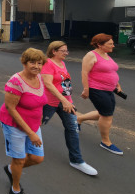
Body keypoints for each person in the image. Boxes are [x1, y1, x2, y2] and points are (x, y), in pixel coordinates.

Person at [41, 41, 98, 176]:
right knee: (37, 124)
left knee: (72, 128)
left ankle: (76, 160)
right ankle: (19, 138)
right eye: (63, 51)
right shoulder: (48, 64)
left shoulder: (62, 63)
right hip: (50, 103)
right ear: (54, 51)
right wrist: (63, 100)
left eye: (67, 51)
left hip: (66, 103)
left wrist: (67, 101)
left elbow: (63, 84)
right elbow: (48, 84)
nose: (66, 53)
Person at [0, 48, 47, 194]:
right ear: (24, 63)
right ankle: (15, 189)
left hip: (33, 124)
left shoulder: (39, 78)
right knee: (19, 159)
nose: (36, 66)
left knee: (37, 158)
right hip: (14, 125)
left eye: (39, 63)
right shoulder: (16, 81)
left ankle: (11, 169)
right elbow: (10, 108)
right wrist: (31, 133)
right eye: (32, 62)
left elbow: (40, 101)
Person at [79, 33, 123, 155]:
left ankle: (79, 118)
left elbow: (111, 70)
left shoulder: (106, 54)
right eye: (110, 44)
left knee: (104, 113)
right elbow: (84, 73)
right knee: (106, 115)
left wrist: (117, 84)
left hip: (109, 89)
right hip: (96, 89)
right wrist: (86, 89)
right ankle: (105, 142)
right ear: (99, 44)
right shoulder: (91, 55)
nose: (113, 45)